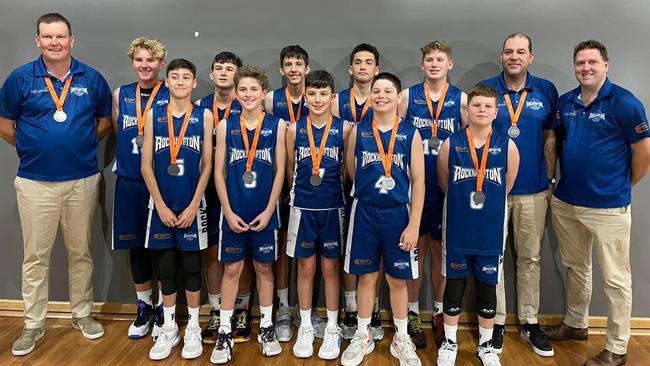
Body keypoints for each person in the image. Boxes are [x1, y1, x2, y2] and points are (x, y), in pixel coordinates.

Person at [0, 12, 112, 356]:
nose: (55, 42)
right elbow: (5, 125)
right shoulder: (20, 78)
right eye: (48, 37)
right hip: (35, 183)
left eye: (61, 36)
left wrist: (75, 145)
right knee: (35, 258)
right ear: (38, 41)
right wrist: (35, 148)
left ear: (71, 40)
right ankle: (33, 324)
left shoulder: (91, 78)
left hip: (82, 180)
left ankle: (82, 314)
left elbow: (105, 122)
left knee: (81, 253)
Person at [544, 40, 650, 366]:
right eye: (580, 63)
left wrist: (621, 186)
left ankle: (617, 348)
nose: (586, 68)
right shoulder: (566, 102)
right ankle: (576, 324)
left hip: (608, 206)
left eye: (592, 62)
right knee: (577, 267)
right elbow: (554, 141)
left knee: (616, 279)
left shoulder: (625, 103)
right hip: (567, 201)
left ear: (606, 64)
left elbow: (643, 153)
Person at [479, 33, 558, 356]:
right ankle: (495, 321)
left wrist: (551, 179)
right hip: (494, 189)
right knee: (493, 258)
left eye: (521, 52)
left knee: (530, 258)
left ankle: (528, 320)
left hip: (534, 190)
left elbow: (550, 138)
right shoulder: (486, 89)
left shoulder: (546, 90)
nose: (514, 56)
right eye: (509, 51)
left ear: (530, 57)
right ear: (501, 56)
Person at [341, 72, 423, 366]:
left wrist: (414, 224)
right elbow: (350, 169)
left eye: (388, 91)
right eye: (376, 91)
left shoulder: (410, 132)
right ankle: (362, 334)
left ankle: (401, 338)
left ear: (398, 97)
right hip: (365, 211)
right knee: (366, 276)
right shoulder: (359, 131)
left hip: (398, 213)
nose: (381, 95)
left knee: (397, 279)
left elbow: (420, 182)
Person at [436, 84, 519, 366]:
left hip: (490, 231)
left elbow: (507, 186)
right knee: (454, 287)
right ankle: (449, 341)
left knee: (487, 288)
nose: (481, 110)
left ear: (496, 112)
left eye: (487, 106)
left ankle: (486, 346)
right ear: (467, 110)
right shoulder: (451, 143)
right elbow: (443, 182)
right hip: (458, 229)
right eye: (476, 105)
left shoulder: (508, 145)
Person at [211, 66, 286, 364]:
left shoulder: (277, 125)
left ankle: (266, 327)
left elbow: (281, 171)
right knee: (232, 270)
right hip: (234, 210)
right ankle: (225, 332)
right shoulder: (225, 126)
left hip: (265, 211)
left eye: (254, 89)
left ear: (263, 92)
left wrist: (270, 210)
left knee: (264, 269)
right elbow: (218, 172)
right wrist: (227, 211)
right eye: (243, 90)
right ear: (235, 92)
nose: (248, 94)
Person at [140, 58, 213, 360]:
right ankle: (169, 327)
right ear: (166, 82)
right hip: (161, 205)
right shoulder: (154, 114)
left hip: (192, 204)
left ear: (195, 83)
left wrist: (196, 202)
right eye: (175, 77)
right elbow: (146, 165)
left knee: (193, 268)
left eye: (186, 77)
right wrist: (158, 203)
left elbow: (208, 164)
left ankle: (193, 326)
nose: (180, 82)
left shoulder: (204, 116)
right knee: (166, 269)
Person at [398, 40, 467, 349]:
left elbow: (470, 141)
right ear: (423, 64)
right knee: (416, 252)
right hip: (414, 188)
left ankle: (439, 313)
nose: (435, 63)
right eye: (429, 59)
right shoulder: (407, 97)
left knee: (441, 254)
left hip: (445, 189)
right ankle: (413, 314)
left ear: (450, 64)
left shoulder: (462, 99)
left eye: (440, 59)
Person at [287, 70, 351, 360]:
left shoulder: (345, 129)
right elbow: (291, 169)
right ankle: (305, 325)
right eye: (311, 94)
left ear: (332, 97)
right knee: (305, 268)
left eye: (323, 93)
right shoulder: (293, 129)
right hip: (302, 209)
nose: (317, 99)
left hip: (333, 208)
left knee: (330, 270)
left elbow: (348, 172)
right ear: (305, 96)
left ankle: (334, 325)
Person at [263, 44, 326, 340]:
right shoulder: (270, 99)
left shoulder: (319, 97)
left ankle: (308, 310)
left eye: (299, 63)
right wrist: (285, 186)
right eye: (288, 64)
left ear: (307, 68)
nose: (293, 68)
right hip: (280, 186)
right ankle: (284, 308)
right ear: (281, 70)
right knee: (280, 251)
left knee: (311, 253)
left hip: (313, 190)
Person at [111, 36, 170, 341]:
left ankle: (163, 307)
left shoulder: (171, 92)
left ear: (161, 63)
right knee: (136, 247)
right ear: (133, 62)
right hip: (130, 181)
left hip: (161, 183)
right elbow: (117, 127)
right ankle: (143, 306)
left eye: (151, 60)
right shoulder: (121, 94)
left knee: (160, 246)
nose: (144, 65)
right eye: (139, 60)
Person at [195, 51, 255, 344]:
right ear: (210, 74)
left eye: (229, 69)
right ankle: (217, 309)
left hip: (242, 191)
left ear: (238, 75)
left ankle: (242, 308)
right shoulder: (200, 108)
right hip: (209, 190)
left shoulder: (249, 104)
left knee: (240, 253)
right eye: (217, 68)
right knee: (212, 252)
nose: (222, 73)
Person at [332, 43, 385, 342]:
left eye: (369, 62)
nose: (363, 67)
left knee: (376, 252)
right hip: (344, 186)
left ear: (376, 70)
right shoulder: (337, 101)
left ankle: (373, 308)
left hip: (380, 188)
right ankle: (351, 308)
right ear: (350, 69)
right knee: (350, 253)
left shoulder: (385, 99)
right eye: (357, 62)